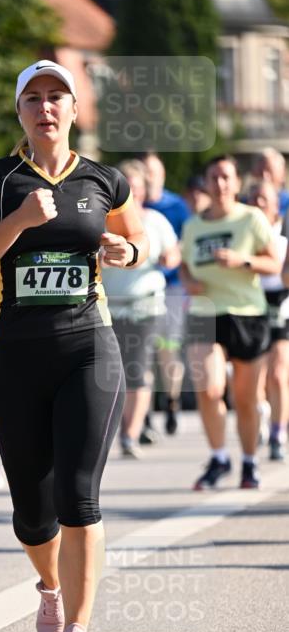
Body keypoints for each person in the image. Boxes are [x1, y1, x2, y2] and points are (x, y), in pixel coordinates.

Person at [0, 60, 148, 632]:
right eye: (33, 98)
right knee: (33, 515)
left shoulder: (104, 180)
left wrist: (126, 250)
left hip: (90, 348)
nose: (46, 107)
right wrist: (20, 222)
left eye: (57, 96)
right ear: (20, 112)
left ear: (74, 109)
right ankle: (50, 588)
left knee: (78, 497)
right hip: (14, 354)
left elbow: (134, 245)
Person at [181, 155, 281, 490]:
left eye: (226, 177)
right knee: (209, 389)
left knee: (246, 399)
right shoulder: (194, 224)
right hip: (204, 311)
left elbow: (275, 264)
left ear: (237, 183)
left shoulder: (251, 218)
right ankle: (219, 456)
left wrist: (243, 260)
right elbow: (184, 262)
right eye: (214, 178)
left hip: (247, 314)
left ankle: (249, 462)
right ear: (206, 184)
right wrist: (187, 280)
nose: (220, 184)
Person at [101, 160, 179, 458]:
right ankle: (112, 431)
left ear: (144, 191)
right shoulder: (102, 220)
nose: (130, 192)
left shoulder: (155, 221)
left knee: (136, 369)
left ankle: (130, 436)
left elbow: (172, 252)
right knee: (108, 373)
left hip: (144, 306)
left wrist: (169, 257)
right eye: (125, 186)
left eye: (135, 186)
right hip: (108, 307)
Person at [142, 152, 191, 436]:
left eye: (153, 173)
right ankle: (144, 416)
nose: (149, 179)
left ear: (160, 175)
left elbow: (187, 240)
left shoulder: (176, 206)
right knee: (142, 355)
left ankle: (171, 401)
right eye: (145, 173)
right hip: (143, 290)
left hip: (171, 288)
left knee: (167, 352)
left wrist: (171, 253)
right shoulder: (130, 204)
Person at [247, 180, 289, 461]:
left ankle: (277, 432)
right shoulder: (243, 233)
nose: (260, 204)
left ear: (276, 204)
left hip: (282, 301)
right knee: (254, 377)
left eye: (265, 199)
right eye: (255, 199)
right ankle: (261, 413)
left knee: (278, 372)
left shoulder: (283, 232)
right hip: (250, 303)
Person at [251, 148, 289, 217]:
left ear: (283, 174)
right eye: (260, 171)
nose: (265, 177)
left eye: (270, 171)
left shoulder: (287, 204)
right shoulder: (242, 204)